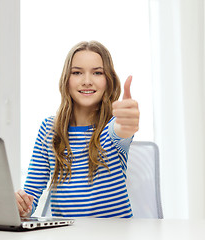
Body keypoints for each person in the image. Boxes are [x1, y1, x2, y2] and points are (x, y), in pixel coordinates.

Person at [15, 41, 140, 218]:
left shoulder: (111, 126)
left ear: (108, 80)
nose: (87, 81)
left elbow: (121, 130)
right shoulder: (49, 130)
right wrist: (20, 205)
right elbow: (31, 198)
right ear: (66, 80)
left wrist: (126, 122)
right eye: (77, 73)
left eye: (97, 73)